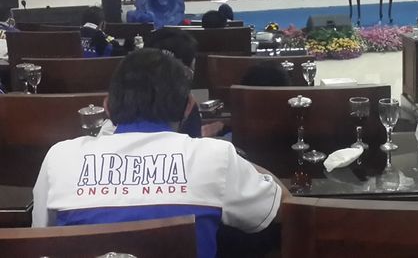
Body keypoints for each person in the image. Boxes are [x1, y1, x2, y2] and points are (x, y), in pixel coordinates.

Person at [32, 49, 288, 258]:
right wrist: (241, 161)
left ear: (107, 106)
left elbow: (40, 243)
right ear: (188, 108)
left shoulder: (60, 157)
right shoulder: (215, 156)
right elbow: (282, 209)